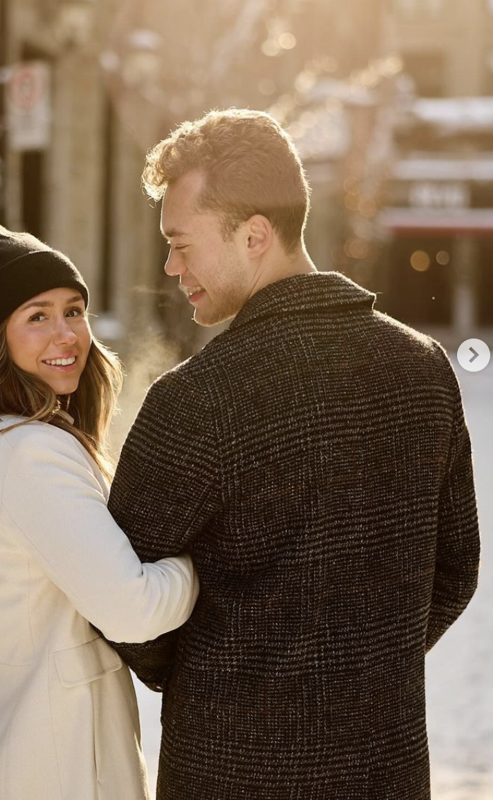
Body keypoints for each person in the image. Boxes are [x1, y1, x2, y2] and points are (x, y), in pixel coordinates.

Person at [105, 109, 480, 800]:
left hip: (229, 772)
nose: (169, 265)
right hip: (384, 769)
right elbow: (455, 569)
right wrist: (364, 669)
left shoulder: (197, 399)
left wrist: (224, 680)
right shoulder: (425, 370)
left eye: (182, 243)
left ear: (254, 235)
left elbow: (117, 591)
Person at [0, 221, 198, 800]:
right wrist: (200, 566)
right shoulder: (32, 453)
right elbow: (132, 608)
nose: (66, 335)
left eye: (74, 310)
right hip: (52, 757)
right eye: (37, 316)